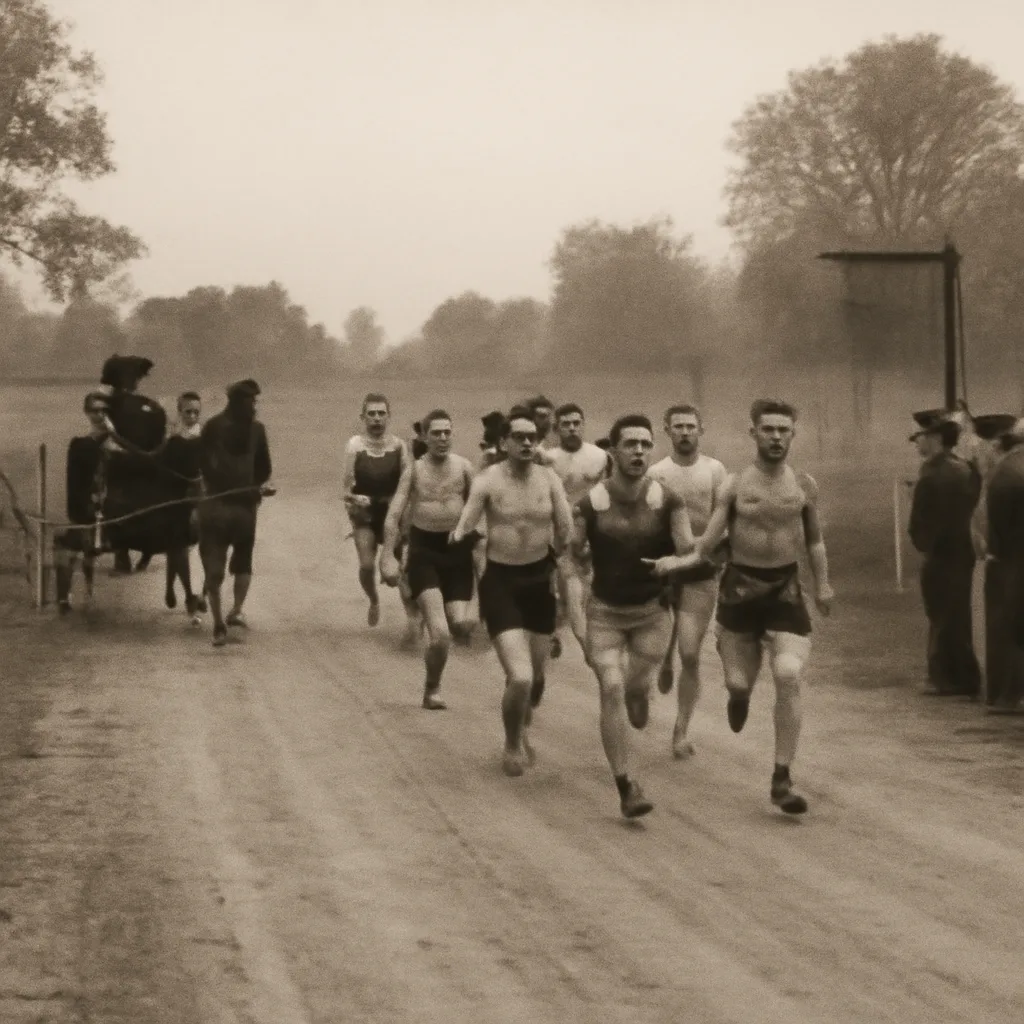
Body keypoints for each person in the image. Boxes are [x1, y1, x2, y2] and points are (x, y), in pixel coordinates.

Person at [665, 399, 834, 815]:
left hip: (785, 592)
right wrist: (677, 561)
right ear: (753, 433)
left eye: (784, 430)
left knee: (788, 673)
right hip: (740, 591)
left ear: (793, 434)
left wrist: (824, 584)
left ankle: (781, 776)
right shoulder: (736, 485)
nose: (776, 437)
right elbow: (707, 545)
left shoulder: (805, 485)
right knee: (740, 683)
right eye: (768, 430)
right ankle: (736, 694)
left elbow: (814, 540)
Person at [573, 414, 696, 819]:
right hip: (605, 613)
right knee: (610, 686)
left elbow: (688, 549)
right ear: (613, 451)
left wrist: (672, 564)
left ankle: (638, 692)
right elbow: (571, 553)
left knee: (635, 688)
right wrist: (579, 563)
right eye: (631, 444)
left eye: (645, 444)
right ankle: (626, 785)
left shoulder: (669, 500)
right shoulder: (591, 503)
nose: (640, 451)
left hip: (652, 614)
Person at [451, 405, 575, 777]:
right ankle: (511, 742)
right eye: (518, 437)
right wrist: (459, 536)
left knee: (534, 681)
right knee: (519, 676)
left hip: (539, 583)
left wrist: (565, 555)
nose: (526, 442)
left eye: (532, 438)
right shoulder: (488, 480)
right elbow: (467, 522)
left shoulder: (549, 479)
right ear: (503, 442)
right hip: (501, 583)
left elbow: (566, 526)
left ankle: (523, 721)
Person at [381, 410, 479, 710]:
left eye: (447, 432)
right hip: (426, 553)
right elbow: (394, 515)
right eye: (436, 433)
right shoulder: (414, 471)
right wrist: (388, 556)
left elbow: (482, 509)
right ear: (424, 437)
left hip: (458, 553)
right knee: (441, 634)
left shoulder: (464, 467)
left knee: (462, 623)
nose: (443, 438)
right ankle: (432, 687)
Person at [648, 404, 728, 759]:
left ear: (701, 429)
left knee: (691, 653)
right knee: (657, 644)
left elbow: (723, 519)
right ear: (667, 430)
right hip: (664, 571)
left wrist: (709, 548)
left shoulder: (714, 470)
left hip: (701, 571)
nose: (684, 432)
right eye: (678, 426)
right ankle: (662, 660)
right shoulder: (656, 472)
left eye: (690, 426)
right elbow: (647, 523)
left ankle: (681, 730)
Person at [908, 409, 982, 698]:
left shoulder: (932, 475)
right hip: (963, 553)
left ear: (935, 437)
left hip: (940, 556)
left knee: (941, 616)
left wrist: (924, 543)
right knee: (957, 616)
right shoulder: (964, 469)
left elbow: (919, 528)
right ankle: (963, 675)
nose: (917, 443)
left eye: (921, 437)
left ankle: (947, 678)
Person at [197, 379, 274, 647]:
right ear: (243, 402)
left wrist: (219, 484)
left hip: (216, 505)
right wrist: (251, 486)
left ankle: (219, 622)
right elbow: (265, 469)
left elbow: (202, 462)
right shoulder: (256, 430)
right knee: (243, 561)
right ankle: (235, 610)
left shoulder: (212, 426)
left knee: (215, 564)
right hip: (243, 508)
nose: (254, 406)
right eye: (252, 401)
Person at [342, 393, 418, 638]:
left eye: (381, 413)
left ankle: (412, 618)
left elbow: (409, 484)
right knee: (366, 565)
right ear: (363, 417)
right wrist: (355, 499)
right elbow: (346, 489)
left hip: (392, 513)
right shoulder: (355, 445)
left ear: (388, 416)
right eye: (371, 414)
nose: (376, 418)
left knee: (402, 568)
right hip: (365, 513)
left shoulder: (399, 447)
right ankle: (374, 599)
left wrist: (404, 513)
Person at [545, 403, 609, 660]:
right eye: (566, 424)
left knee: (587, 595)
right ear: (557, 428)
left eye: (576, 423)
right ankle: (587, 649)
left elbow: (609, 496)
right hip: (559, 535)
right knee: (568, 594)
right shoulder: (548, 459)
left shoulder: (600, 457)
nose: (572, 428)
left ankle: (563, 633)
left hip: (595, 534)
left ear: (583, 424)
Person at [976, 416, 1024, 713]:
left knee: (1005, 628)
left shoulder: (1004, 474)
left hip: (1009, 562)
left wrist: (992, 552)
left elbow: (997, 527)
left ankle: (1007, 694)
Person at [54, 392, 108, 612]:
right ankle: (65, 598)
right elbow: (75, 484)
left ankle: (88, 591)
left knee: (87, 549)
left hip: (114, 510)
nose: (99, 414)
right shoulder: (80, 445)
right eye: (95, 410)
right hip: (87, 509)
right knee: (70, 547)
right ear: (87, 413)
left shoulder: (115, 441)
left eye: (103, 410)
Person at [163, 391, 206, 621]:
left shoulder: (205, 439)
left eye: (196, 412)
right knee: (177, 544)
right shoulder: (173, 441)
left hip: (200, 499)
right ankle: (188, 594)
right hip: (178, 498)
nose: (192, 416)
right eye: (188, 412)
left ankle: (196, 592)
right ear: (179, 413)